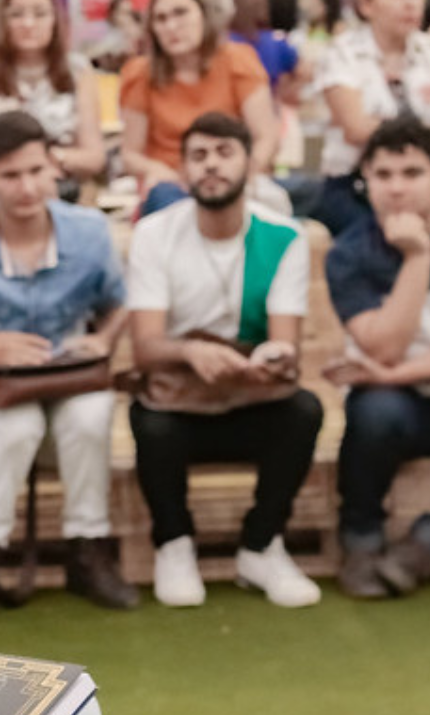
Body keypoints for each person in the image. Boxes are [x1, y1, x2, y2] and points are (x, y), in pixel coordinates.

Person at [0, 110, 138, 625]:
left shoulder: (88, 231)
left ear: (55, 168)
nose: (27, 187)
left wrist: (101, 340)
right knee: (14, 422)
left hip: (66, 386)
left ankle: (89, 551)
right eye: (11, 175)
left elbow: (120, 302)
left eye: (37, 171)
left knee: (91, 410)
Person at [125, 112, 324, 608]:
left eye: (223, 153)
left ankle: (262, 546)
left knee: (303, 410)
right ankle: (174, 545)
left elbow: (285, 344)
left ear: (249, 162)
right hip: (181, 403)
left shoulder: (283, 237)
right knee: (149, 421)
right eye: (198, 156)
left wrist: (269, 360)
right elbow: (145, 349)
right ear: (183, 169)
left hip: (250, 397)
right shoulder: (153, 234)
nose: (211, 166)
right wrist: (191, 351)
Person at [324, 116, 430, 598]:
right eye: (382, 175)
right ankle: (362, 540)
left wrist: (396, 372)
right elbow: (383, 347)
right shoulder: (348, 254)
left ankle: (429, 540)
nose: (396, 189)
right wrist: (417, 257)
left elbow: (391, 361)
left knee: (378, 389)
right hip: (393, 404)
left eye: (412, 173)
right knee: (373, 411)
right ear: (366, 182)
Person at [120, 0, 279, 215]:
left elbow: (266, 137)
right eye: (161, 18)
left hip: (233, 178)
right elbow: (130, 155)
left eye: (180, 13)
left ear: (204, 15)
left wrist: (244, 174)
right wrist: (162, 172)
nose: (171, 26)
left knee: (306, 192)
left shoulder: (238, 60)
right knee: (169, 200)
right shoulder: (140, 74)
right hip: (174, 186)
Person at [311, 0, 430, 236]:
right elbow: (357, 129)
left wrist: (380, 125)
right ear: (366, 6)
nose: (411, 5)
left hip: (429, 185)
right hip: (355, 185)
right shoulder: (341, 52)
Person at [0, 0, 107, 188]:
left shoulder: (78, 70)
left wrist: (51, 161)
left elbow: (94, 157)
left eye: (40, 14)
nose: (28, 24)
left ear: (55, 20)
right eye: (17, 14)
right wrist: (14, 168)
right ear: (3, 20)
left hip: (65, 189)